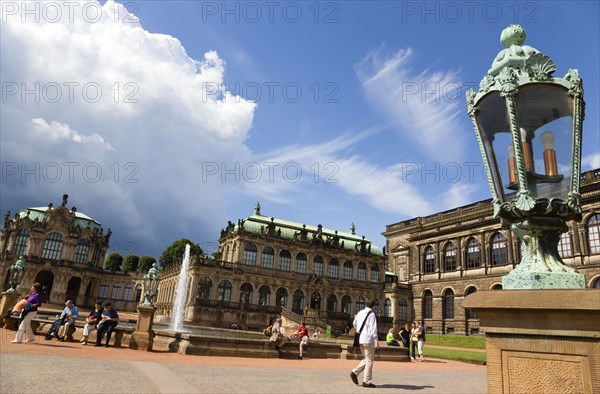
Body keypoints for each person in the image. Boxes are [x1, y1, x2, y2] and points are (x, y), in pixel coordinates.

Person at [349, 299, 378, 388]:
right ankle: (366, 381)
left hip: (360, 339)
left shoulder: (360, 312)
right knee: (369, 361)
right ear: (373, 305)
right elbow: (373, 328)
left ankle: (354, 372)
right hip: (368, 339)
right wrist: (376, 339)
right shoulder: (372, 314)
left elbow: (354, 323)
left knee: (366, 358)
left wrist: (360, 330)